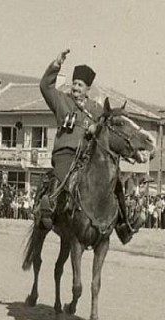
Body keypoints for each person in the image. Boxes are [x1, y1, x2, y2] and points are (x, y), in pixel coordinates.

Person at [33, 49, 138, 244]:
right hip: (66, 152)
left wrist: (96, 127)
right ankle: (49, 210)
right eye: (74, 84)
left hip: (89, 155)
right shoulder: (61, 100)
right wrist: (56, 65)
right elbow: (45, 86)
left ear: (87, 89)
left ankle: (124, 224)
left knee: (113, 183)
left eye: (80, 85)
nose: (75, 88)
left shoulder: (96, 109)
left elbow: (107, 127)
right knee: (62, 178)